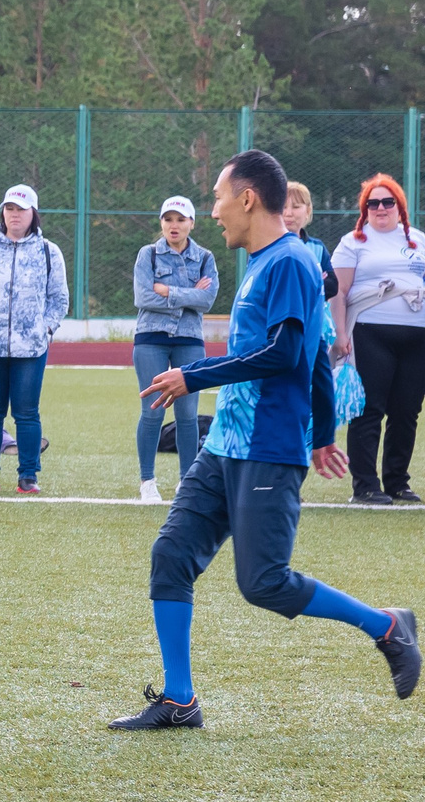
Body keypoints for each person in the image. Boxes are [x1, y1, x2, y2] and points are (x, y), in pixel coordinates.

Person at [118, 148, 420, 732]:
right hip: (225, 445)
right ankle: (180, 700)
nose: (213, 211)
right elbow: (313, 358)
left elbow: (284, 355)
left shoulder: (288, 263)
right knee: (171, 557)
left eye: (218, 198)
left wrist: (193, 374)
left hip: (264, 447)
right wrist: (325, 432)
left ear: (248, 198)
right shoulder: (266, 260)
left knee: (264, 584)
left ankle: (386, 626)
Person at [0, 183, 68, 494]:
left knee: (27, 411)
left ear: (34, 213)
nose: (14, 215)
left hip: (31, 347)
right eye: (9, 208)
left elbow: (58, 298)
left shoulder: (49, 252)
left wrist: (45, 328)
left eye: (21, 209)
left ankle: (28, 475)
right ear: (2, 212)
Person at [331, 173, 425, 506]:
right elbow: (338, 292)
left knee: (406, 411)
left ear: (400, 207)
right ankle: (365, 485)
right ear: (365, 209)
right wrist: (340, 333)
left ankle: (398, 481)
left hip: (418, 339)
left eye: (388, 202)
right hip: (370, 333)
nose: (381, 208)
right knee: (369, 410)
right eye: (373, 203)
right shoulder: (353, 241)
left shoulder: (419, 240)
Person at [134, 194, 217, 501]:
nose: (174, 225)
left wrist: (166, 290)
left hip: (189, 340)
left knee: (188, 414)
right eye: (168, 219)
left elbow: (207, 300)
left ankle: (187, 481)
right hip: (150, 338)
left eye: (181, 219)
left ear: (191, 223)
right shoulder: (148, 255)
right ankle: (147, 481)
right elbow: (143, 298)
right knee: (152, 411)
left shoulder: (205, 257)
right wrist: (187, 294)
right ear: (161, 222)